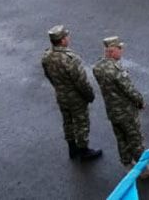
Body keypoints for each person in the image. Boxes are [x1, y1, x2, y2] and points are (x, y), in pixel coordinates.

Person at [92, 36, 149, 178]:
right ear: (112, 51)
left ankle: (127, 164)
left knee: (121, 138)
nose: (122, 51)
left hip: (112, 111)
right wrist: (140, 102)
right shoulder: (117, 71)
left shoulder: (98, 67)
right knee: (135, 139)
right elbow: (129, 90)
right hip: (126, 112)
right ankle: (144, 169)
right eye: (119, 48)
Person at [40, 25, 102, 161]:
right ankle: (84, 151)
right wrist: (89, 95)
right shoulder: (70, 58)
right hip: (75, 98)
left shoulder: (46, 55)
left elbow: (48, 75)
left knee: (67, 121)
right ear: (62, 40)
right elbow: (81, 81)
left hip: (61, 95)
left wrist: (59, 88)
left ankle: (72, 148)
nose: (68, 38)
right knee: (81, 122)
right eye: (66, 36)